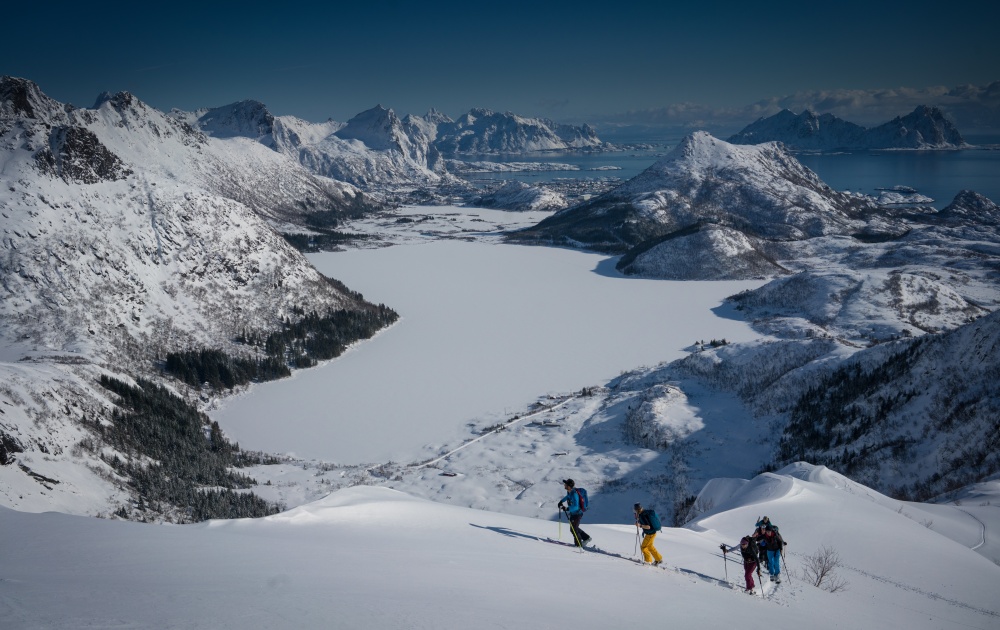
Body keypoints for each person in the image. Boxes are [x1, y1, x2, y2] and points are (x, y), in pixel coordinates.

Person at [557, 479, 591, 547]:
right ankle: (586, 538)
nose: (564, 485)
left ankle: (578, 545)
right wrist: (561, 501)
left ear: (569, 486)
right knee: (574, 528)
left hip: (577, 514)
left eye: (566, 484)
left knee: (573, 529)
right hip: (573, 513)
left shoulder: (574, 494)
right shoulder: (570, 492)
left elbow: (576, 506)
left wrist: (567, 508)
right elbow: (568, 497)